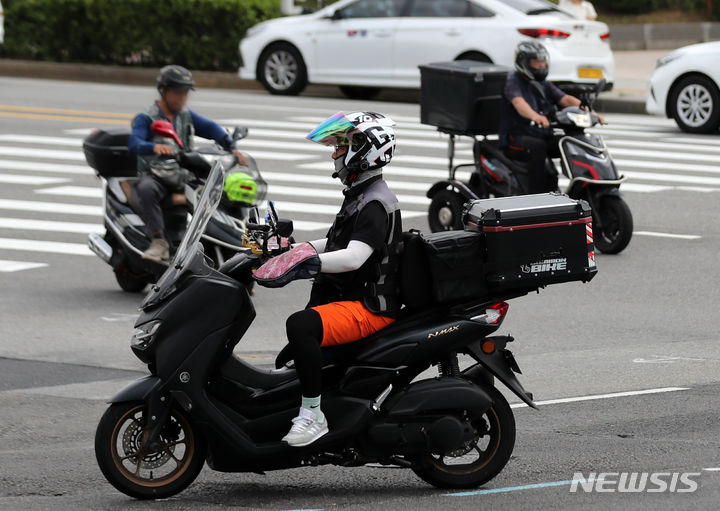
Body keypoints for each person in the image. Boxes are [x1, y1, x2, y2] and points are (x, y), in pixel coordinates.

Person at [253, 111, 403, 447]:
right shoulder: (362, 194)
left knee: (301, 326)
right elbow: (337, 241)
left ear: (363, 151)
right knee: (289, 358)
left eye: (340, 145)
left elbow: (354, 257)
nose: (334, 152)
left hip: (369, 306)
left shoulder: (376, 202)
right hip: (350, 296)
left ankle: (312, 417)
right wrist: (291, 251)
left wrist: (307, 263)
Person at [128, 65, 247, 262]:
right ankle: (158, 242)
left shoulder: (185, 115)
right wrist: (153, 147)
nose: (182, 97)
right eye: (177, 92)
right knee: (146, 188)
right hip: (156, 176)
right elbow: (135, 143)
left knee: (215, 194)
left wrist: (231, 146)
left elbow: (211, 128)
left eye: (185, 92)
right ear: (163, 90)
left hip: (182, 176)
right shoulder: (146, 117)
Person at [499, 41, 604, 193]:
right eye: (536, 62)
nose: (541, 65)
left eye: (543, 61)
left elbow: (566, 99)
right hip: (516, 137)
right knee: (538, 147)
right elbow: (518, 102)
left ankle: (583, 183)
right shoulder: (513, 83)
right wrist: (536, 117)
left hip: (541, 134)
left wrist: (590, 112)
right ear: (523, 62)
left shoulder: (543, 84)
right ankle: (536, 194)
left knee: (571, 142)